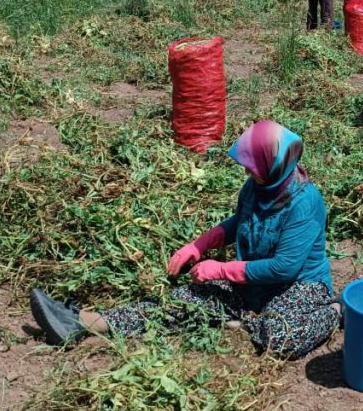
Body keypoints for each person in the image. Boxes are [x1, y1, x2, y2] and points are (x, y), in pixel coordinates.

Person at [29, 120, 339, 360]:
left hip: (298, 285)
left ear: (275, 162)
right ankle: (84, 321)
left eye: (252, 164)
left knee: (281, 338)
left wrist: (221, 269)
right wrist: (200, 244)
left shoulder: (305, 202)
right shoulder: (257, 186)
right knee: (182, 302)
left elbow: (285, 267)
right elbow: (241, 221)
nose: (247, 169)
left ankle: (337, 311)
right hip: (250, 284)